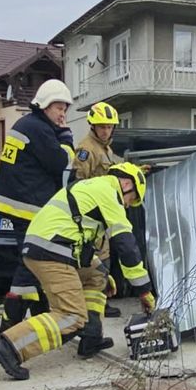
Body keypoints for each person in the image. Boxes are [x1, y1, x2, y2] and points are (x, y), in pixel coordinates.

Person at [0, 162, 155, 381]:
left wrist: (102, 271)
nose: (129, 206)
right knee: (71, 316)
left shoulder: (93, 187)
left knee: (97, 275)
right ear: (126, 184)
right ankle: (11, 348)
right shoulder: (109, 193)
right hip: (52, 252)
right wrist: (144, 290)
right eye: (132, 199)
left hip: (49, 246)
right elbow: (126, 245)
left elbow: (81, 244)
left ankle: (91, 336)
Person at [0, 79, 75, 334]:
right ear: (44, 105)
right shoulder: (40, 129)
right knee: (30, 265)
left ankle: (39, 318)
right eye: (58, 108)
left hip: (17, 205)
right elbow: (61, 161)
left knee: (33, 263)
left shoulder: (25, 124)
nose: (62, 114)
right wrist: (66, 136)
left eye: (64, 109)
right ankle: (9, 329)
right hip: (29, 208)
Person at [73, 101, 124, 318]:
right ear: (93, 126)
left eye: (109, 126)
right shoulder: (86, 149)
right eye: (102, 126)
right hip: (90, 214)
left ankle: (101, 300)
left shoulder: (106, 148)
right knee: (96, 259)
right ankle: (94, 303)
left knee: (105, 256)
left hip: (102, 213)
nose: (106, 130)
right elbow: (77, 181)